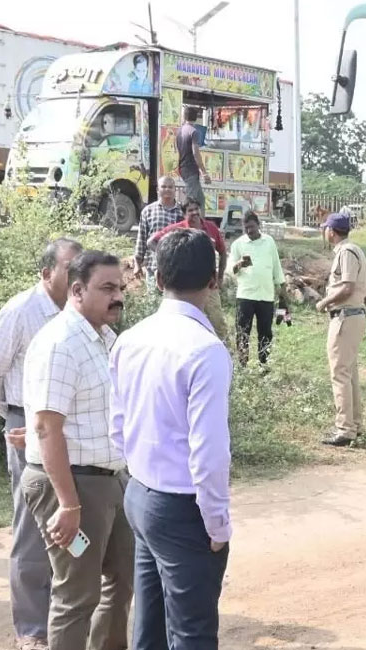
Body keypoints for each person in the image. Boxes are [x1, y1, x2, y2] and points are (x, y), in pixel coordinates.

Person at [111, 231, 232, 649]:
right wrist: (216, 522)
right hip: (182, 508)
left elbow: (118, 423)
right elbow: (209, 452)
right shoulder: (206, 350)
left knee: (150, 626)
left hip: (141, 494)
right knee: (192, 633)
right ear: (214, 281)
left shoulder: (129, 339)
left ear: (158, 278)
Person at [0, 237, 82, 650]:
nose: (76, 276)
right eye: (70, 267)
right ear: (46, 272)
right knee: (33, 525)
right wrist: (14, 415)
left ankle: (68, 615)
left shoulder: (80, 312)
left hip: (73, 428)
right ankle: (32, 629)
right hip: (29, 425)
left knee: (72, 515)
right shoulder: (21, 311)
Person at [22, 251, 133, 650]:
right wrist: (68, 505)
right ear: (77, 290)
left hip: (108, 480)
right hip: (71, 485)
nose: (117, 296)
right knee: (77, 595)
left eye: (119, 287)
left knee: (122, 580)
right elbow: (46, 427)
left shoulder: (105, 338)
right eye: (106, 288)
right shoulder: (60, 343)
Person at [314, 212, 366, 446]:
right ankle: (353, 424)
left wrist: (324, 302)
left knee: (340, 373)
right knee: (349, 373)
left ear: (332, 232)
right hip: (353, 316)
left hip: (346, 317)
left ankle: (345, 428)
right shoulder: (352, 250)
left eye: (326, 228)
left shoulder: (346, 252)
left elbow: (347, 287)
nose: (324, 231)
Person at [150, 198, 229, 340]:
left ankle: (225, 353)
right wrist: (169, 258)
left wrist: (220, 276)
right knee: (182, 321)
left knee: (217, 322)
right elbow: (152, 241)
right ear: (184, 214)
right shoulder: (178, 230)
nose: (194, 213)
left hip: (208, 283)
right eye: (190, 210)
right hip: (183, 283)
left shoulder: (211, 228)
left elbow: (223, 252)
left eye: (196, 209)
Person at [227, 211, 286, 368]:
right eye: (246, 228)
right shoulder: (238, 244)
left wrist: (283, 294)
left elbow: (277, 268)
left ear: (258, 225)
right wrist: (239, 264)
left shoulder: (269, 242)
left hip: (266, 295)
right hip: (245, 295)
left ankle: (264, 364)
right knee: (242, 331)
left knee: (265, 332)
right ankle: (243, 365)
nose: (249, 231)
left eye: (252, 227)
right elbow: (230, 271)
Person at [133, 175, 184, 283]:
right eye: (163, 186)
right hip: (153, 266)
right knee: (153, 299)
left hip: (176, 267)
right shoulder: (148, 211)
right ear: (157, 190)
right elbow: (141, 239)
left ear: (175, 190)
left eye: (170, 187)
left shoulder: (182, 212)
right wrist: (137, 263)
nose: (167, 189)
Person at [176, 107, 211, 210]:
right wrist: (204, 172)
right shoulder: (194, 132)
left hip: (182, 167)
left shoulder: (180, 130)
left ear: (184, 116)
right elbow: (196, 153)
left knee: (200, 200)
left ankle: (201, 223)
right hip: (191, 169)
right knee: (190, 201)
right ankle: (184, 222)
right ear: (195, 118)